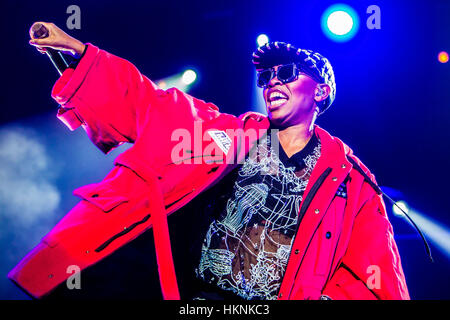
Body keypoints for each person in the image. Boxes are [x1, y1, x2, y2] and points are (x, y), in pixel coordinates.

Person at [8, 22, 410, 300]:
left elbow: (374, 278)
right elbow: (149, 102)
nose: (272, 82)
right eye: (265, 77)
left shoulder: (350, 183)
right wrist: (81, 55)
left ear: (320, 92)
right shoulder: (227, 135)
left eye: (286, 73)